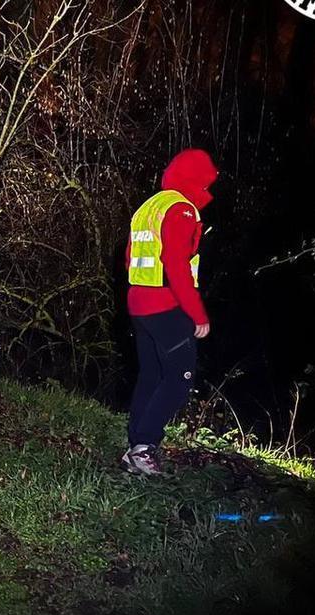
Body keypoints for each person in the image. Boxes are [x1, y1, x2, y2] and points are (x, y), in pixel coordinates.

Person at [121, 149, 217, 476]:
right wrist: (198, 314)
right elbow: (175, 266)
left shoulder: (148, 207)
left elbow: (130, 260)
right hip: (166, 306)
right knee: (179, 378)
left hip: (138, 302)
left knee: (151, 375)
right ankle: (144, 448)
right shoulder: (182, 210)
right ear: (197, 179)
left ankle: (136, 445)